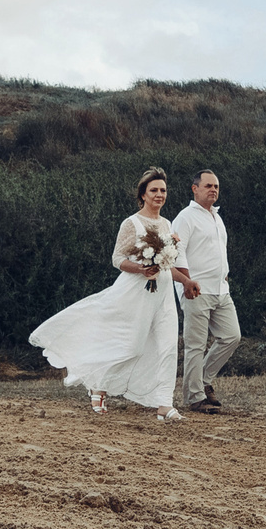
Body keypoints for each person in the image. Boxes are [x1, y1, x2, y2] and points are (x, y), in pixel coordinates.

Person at [27, 167, 199, 422]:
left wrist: (185, 280)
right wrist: (141, 268)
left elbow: (166, 265)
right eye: (154, 190)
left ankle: (164, 404)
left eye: (163, 190)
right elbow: (117, 258)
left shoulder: (167, 224)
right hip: (136, 291)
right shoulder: (132, 223)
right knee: (130, 345)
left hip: (162, 293)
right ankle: (98, 383)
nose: (159, 195)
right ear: (143, 194)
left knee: (168, 345)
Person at [172, 168, 241, 414]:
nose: (213, 190)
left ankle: (202, 380)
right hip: (196, 290)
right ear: (195, 189)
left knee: (231, 336)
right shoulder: (186, 217)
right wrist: (186, 282)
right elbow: (176, 253)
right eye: (208, 186)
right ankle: (194, 397)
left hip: (221, 290)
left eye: (216, 187)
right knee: (195, 345)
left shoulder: (217, 217)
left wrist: (224, 273)